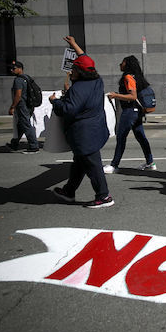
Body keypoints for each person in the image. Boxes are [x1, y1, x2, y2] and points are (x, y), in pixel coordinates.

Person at [51, 37, 113, 208]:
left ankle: (104, 196)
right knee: (80, 162)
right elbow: (86, 59)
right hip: (94, 130)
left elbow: (67, 110)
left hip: (84, 134)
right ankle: (69, 191)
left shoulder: (78, 89)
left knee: (93, 166)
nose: (71, 72)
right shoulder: (96, 80)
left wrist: (55, 101)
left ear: (80, 71)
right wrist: (74, 45)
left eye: (74, 69)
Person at [104, 55, 155, 174]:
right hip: (137, 112)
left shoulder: (128, 77)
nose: (120, 65)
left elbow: (133, 96)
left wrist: (115, 95)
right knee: (141, 137)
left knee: (121, 137)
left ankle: (114, 165)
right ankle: (150, 163)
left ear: (127, 65)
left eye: (122, 63)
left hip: (129, 112)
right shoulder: (137, 77)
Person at [6, 60, 40, 154]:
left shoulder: (18, 80)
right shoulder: (27, 78)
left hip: (22, 105)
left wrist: (13, 107)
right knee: (21, 125)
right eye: (11, 68)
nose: (11, 70)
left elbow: (18, 95)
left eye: (14, 68)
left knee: (26, 125)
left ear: (20, 69)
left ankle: (34, 146)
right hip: (29, 105)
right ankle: (15, 143)